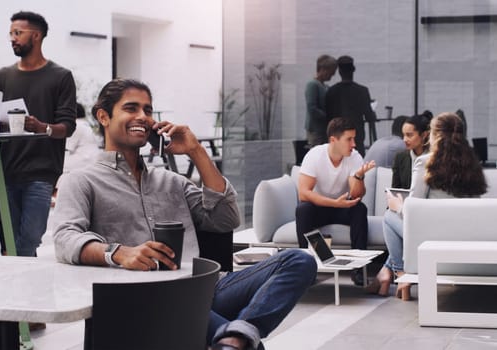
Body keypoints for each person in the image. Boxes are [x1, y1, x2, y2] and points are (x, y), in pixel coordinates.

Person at [53, 78, 317, 350]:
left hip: (206, 287)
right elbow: (64, 238)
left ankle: (234, 337)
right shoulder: (81, 181)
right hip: (144, 298)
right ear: (103, 117)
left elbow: (225, 220)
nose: (142, 117)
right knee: (248, 344)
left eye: (147, 110)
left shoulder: (171, 181)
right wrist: (120, 252)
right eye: (131, 108)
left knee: (299, 261)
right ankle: (237, 339)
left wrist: (196, 151)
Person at [369, 112, 487, 300]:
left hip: (433, 242)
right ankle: (392, 274)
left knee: (390, 217)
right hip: (467, 240)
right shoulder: (473, 165)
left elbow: (414, 211)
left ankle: (400, 275)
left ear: (434, 135)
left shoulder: (426, 162)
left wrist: (398, 205)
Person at [0, 11, 76, 260]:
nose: (12, 39)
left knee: (29, 238)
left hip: (41, 171)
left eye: (18, 33)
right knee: (10, 240)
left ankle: (19, 290)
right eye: (11, 33)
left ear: (36, 36)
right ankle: (22, 293)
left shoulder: (60, 76)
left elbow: (66, 126)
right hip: (5, 169)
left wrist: (41, 127)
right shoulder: (2, 77)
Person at [295, 117, 376, 285]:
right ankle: (307, 269)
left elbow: (356, 195)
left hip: (342, 207)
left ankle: (358, 270)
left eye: (354, 138)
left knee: (359, 209)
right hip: (320, 206)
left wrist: (359, 176)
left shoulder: (354, 157)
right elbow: (303, 193)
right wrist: (334, 203)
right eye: (349, 139)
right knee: (303, 209)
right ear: (334, 140)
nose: (354, 144)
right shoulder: (315, 155)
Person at [325, 55, 377, 157]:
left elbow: (328, 117)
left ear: (339, 72)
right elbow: (369, 116)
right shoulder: (362, 91)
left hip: (337, 137)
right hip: (356, 138)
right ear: (353, 70)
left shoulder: (331, 92)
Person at [56, 102, 101, 188]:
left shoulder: (76, 126)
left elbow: (66, 147)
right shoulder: (85, 125)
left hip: (83, 163)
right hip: (90, 162)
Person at [391, 112, 432, 189]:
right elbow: (396, 190)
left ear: (424, 135)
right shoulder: (400, 157)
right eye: (403, 135)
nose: (405, 140)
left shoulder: (435, 157)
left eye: (409, 135)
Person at [304, 54, 337, 147]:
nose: (332, 75)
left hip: (323, 129)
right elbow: (312, 108)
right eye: (331, 72)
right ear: (323, 69)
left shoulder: (324, 86)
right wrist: (328, 117)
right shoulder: (312, 85)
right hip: (316, 130)